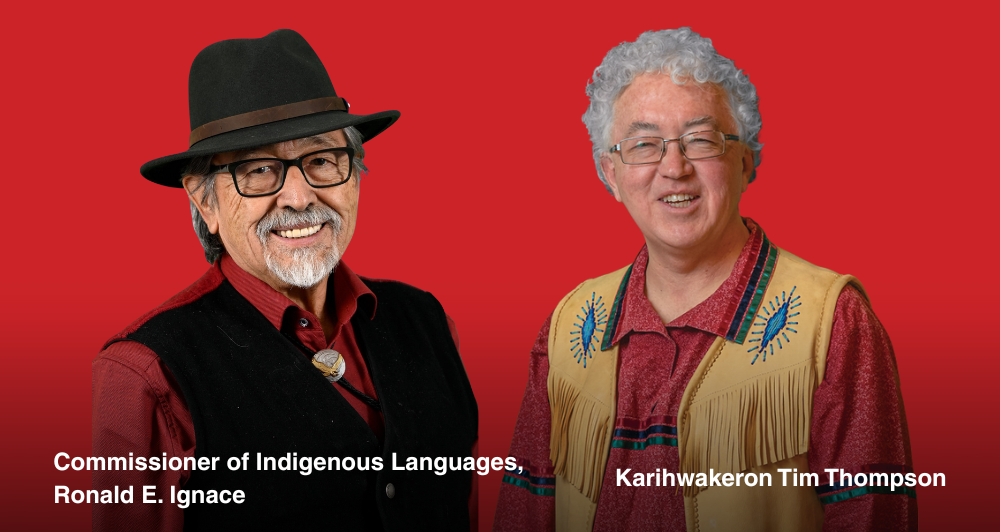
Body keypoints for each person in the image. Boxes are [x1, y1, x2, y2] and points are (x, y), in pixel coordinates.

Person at [494, 28, 914, 532]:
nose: (674, 168)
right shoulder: (568, 326)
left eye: (700, 139)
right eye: (645, 144)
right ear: (610, 173)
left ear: (746, 158)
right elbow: (524, 512)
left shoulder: (833, 321)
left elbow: (872, 517)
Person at [92, 29, 477, 531]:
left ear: (354, 175)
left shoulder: (427, 320)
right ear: (204, 201)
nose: (298, 197)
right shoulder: (146, 372)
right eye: (258, 169)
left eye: (321, 160)